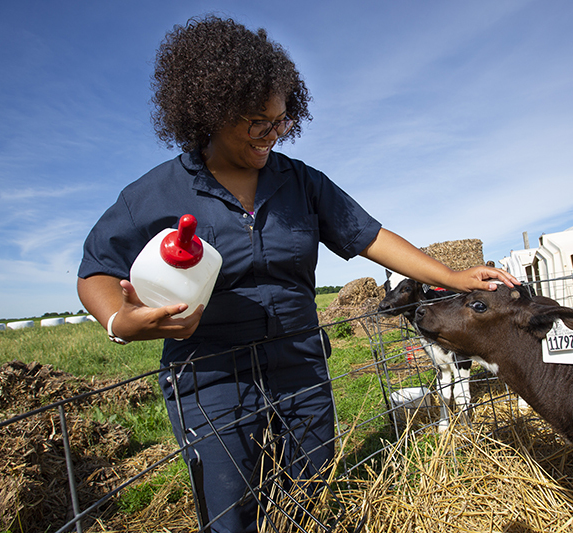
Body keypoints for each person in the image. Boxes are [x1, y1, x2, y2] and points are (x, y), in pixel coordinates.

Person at [77, 15, 517, 532]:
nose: (273, 134)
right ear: (209, 111)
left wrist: (454, 277)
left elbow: (369, 236)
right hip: (210, 376)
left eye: (281, 120)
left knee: (307, 496)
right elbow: (96, 271)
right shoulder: (154, 194)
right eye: (256, 122)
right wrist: (119, 322)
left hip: (299, 364)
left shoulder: (300, 182)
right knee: (230, 511)